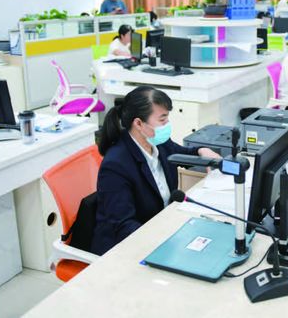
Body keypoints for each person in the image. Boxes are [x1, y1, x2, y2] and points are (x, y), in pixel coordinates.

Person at [91, 87, 221, 255]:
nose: (167, 125)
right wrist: (166, 241)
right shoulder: (115, 166)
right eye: (162, 119)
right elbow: (124, 226)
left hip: (163, 229)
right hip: (126, 248)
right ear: (138, 123)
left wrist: (201, 151)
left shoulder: (158, 142)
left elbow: (181, 153)